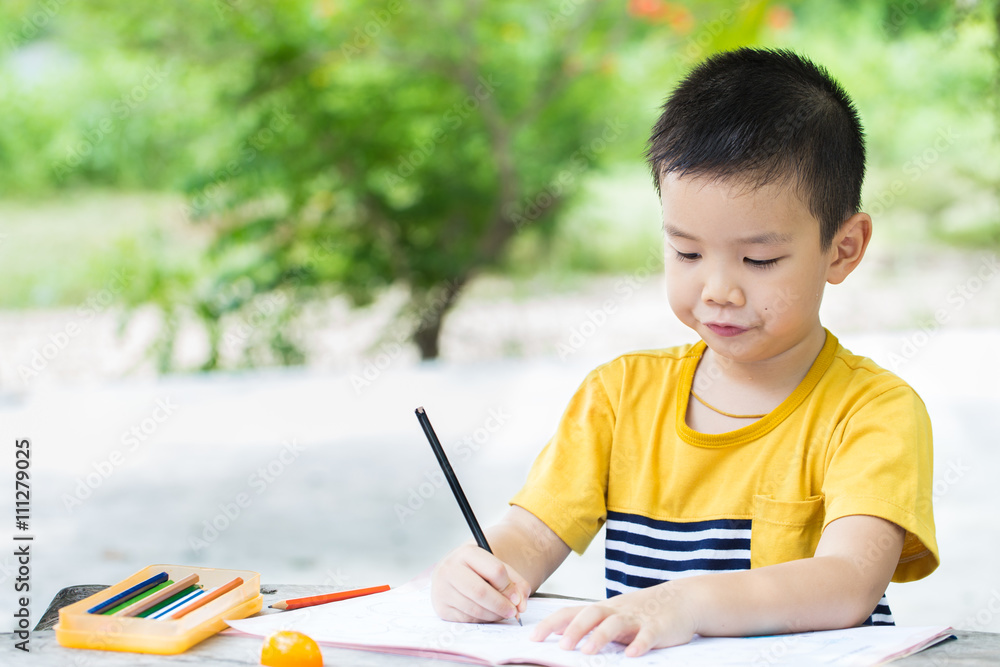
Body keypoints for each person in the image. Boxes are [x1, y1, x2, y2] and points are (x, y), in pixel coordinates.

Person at [430, 47, 938, 658]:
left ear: (844, 248)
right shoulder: (619, 397)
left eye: (759, 260)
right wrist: (482, 574)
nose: (717, 291)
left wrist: (688, 603)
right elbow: (528, 535)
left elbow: (849, 584)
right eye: (688, 253)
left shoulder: (873, 412)